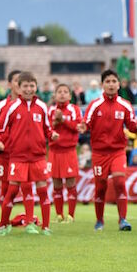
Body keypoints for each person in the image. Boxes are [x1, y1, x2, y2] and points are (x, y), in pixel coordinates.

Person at [0, 72, 59, 236]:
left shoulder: (42, 107)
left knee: (42, 191)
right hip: (18, 158)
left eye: (31, 86)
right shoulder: (11, 107)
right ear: (19, 88)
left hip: (38, 157)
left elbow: (47, 128)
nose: (29, 89)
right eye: (25, 86)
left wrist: (52, 135)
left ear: (36, 87)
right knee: (12, 191)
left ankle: (46, 227)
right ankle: (2, 225)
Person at [81, 70, 137, 231]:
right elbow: (86, 125)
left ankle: (123, 220)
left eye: (114, 81)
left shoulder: (125, 105)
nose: (111, 84)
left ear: (118, 85)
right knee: (101, 187)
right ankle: (99, 221)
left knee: (119, 182)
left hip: (118, 151)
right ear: (102, 85)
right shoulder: (94, 105)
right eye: (108, 82)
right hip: (99, 153)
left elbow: (133, 127)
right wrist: (82, 127)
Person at [0, 70, 22, 206]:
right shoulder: (1, 106)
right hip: (5, 154)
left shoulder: (31, 105)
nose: (19, 83)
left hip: (24, 154)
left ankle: (30, 220)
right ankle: (5, 220)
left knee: (26, 186)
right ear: (9, 84)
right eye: (16, 80)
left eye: (21, 80)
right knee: (6, 188)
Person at [48, 83, 82, 224]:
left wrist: (63, 120)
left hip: (69, 151)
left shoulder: (74, 109)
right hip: (54, 151)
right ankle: (59, 215)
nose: (62, 94)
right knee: (56, 184)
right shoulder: (50, 110)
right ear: (55, 95)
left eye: (65, 91)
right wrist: (55, 122)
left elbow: (79, 127)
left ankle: (71, 215)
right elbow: (45, 128)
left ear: (70, 95)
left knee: (70, 183)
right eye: (59, 91)